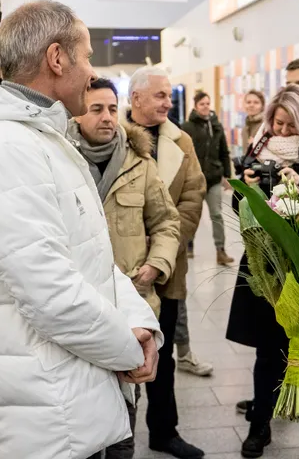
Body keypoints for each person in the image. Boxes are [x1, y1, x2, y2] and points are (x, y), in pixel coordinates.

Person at [0, 0, 162, 459]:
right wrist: (128, 348)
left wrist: (141, 323)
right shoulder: (1, 147)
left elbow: (91, 258)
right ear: (58, 59)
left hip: (68, 395)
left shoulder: (39, 138)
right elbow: (48, 291)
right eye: (89, 55)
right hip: (41, 415)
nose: (92, 69)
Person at [68, 77, 181, 459]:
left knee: (125, 405)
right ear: (78, 111)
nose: (106, 117)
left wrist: (156, 264)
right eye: (96, 108)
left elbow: (166, 221)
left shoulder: (140, 164)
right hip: (78, 303)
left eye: (112, 109)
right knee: (81, 406)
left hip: (132, 300)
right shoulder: (60, 161)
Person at [226, 83, 299, 458]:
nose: (282, 131)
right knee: (267, 351)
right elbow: (240, 204)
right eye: (277, 122)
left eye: (290, 124)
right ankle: (260, 426)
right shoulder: (257, 149)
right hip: (263, 263)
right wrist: (248, 188)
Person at [127, 66, 207, 459]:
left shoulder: (181, 141)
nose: (167, 102)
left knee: (164, 355)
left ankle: (164, 431)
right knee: (116, 351)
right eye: (159, 95)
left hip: (167, 269)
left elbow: (193, 196)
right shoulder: (109, 133)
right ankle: (115, 434)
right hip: (118, 270)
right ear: (135, 98)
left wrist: (165, 250)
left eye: (169, 95)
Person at [182, 91, 234, 267]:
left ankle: (221, 251)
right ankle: (188, 245)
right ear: (196, 106)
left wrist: (227, 175)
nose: (205, 107)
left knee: (217, 214)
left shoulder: (216, 126)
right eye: (202, 104)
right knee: (192, 215)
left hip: (213, 178)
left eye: (207, 103)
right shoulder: (187, 127)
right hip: (195, 179)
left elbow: (224, 152)